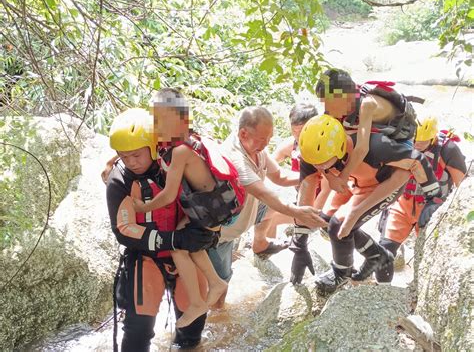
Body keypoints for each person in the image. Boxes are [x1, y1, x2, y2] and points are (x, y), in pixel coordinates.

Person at [106, 108, 217, 351]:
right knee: (138, 331)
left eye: (136, 155)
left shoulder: (178, 162)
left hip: (187, 253)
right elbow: (123, 230)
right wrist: (174, 239)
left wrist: (209, 233)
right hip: (145, 258)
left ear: (153, 146)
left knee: (192, 328)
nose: (131, 162)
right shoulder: (119, 180)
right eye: (124, 157)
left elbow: (208, 198)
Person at [292, 114, 440, 292]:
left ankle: (341, 274)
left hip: (383, 185)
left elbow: (417, 160)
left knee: (338, 226)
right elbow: (306, 195)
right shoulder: (313, 154)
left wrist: (433, 197)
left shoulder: (376, 146)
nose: (320, 168)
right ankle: (377, 256)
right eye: (316, 164)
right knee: (325, 220)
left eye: (324, 163)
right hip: (354, 181)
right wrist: (299, 245)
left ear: (341, 147)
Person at [208, 106, 327, 307]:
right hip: (221, 234)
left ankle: (260, 244)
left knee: (270, 206)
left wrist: (313, 173)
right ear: (243, 133)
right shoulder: (235, 158)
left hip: (247, 211)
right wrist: (296, 211)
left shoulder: (255, 149)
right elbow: (263, 192)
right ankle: (216, 320)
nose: (266, 144)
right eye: (262, 139)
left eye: (269, 138)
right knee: (220, 283)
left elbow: (279, 176)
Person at [131, 88, 229, 328]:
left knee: (178, 247)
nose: (158, 127)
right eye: (156, 120)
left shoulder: (182, 151)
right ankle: (216, 283)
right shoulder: (188, 140)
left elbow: (168, 195)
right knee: (189, 247)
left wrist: (144, 207)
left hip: (208, 212)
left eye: (164, 121)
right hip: (209, 210)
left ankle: (197, 300)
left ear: (183, 121)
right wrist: (113, 160)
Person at [314, 69, 439, 200]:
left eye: (329, 103)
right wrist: (329, 176)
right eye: (324, 102)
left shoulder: (367, 104)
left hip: (400, 137)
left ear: (347, 96)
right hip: (376, 130)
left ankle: (429, 183)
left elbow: (362, 149)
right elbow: (317, 142)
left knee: (373, 145)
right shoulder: (336, 105)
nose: (327, 108)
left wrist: (342, 177)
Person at [375, 116, 467, 283]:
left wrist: (441, 206)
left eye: (422, 142)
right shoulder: (401, 142)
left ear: (432, 138)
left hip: (433, 207)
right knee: (383, 250)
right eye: (414, 140)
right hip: (402, 203)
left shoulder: (449, 150)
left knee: (425, 255)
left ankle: (418, 291)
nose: (417, 145)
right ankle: (383, 291)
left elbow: (463, 187)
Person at [273, 103, 330, 211]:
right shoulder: (291, 145)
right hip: (302, 199)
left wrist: (310, 219)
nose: (298, 136)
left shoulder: (324, 149)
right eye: (294, 131)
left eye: (302, 130)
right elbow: (269, 162)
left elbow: (326, 191)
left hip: (325, 205)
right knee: (264, 221)